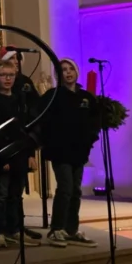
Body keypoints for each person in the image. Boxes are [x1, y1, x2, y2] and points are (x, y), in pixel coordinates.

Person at [39, 59, 100, 248]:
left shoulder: (86, 97)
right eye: (63, 70)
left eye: (70, 68)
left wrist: (90, 140)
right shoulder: (52, 95)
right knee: (65, 188)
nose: (68, 72)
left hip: (79, 152)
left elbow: (94, 121)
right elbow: (42, 122)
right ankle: (56, 229)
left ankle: (71, 230)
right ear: (58, 75)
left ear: (76, 72)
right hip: (60, 151)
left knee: (76, 190)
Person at [0, 59, 39, 249]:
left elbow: (25, 129)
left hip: (20, 153)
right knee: (0, 193)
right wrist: (0, 157)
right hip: (1, 153)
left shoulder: (20, 100)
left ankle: (15, 229)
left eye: (11, 75)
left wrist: (30, 154)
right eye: (3, 75)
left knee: (16, 194)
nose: (7, 79)